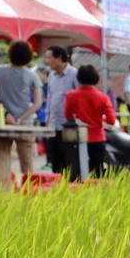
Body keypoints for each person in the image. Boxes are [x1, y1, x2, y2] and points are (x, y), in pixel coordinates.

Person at [0, 40, 43, 176]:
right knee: (27, 164)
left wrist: (6, 114)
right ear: (29, 56)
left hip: (2, 121)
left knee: (0, 159)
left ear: (10, 53)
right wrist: (20, 118)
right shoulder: (32, 76)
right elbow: (37, 103)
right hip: (25, 123)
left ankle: (2, 192)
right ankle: (28, 193)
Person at [63, 64, 116, 180]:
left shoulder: (71, 95)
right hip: (97, 138)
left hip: (77, 139)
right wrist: (101, 119)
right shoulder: (103, 97)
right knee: (97, 171)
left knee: (77, 172)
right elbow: (112, 121)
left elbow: (67, 116)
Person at [42, 45, 78, 174]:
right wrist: (47, 119)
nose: (47, 61)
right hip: (53, 124)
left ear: (58, 58)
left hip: (69, 126)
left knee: (69, 159)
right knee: (55, 160)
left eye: (49, 58)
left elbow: (79, 97)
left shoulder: (74, 73)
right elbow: (50, 98)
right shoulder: (51, 75)